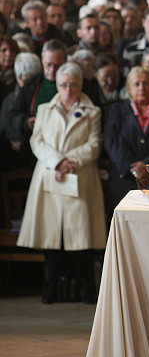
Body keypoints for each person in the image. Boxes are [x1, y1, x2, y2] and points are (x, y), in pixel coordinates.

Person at [16, 62, 106, 304]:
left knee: (81, 236)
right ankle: (52, 286)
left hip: (80, 176)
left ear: (81, 85)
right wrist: (57, 161)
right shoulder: (44, 109)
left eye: (73, 85)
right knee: (51, 235)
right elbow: (37, 142)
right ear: (56, 85)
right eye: (63, 85)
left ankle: (87, 288)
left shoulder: (92, 111)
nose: (68, 90)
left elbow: (94, 145)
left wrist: (70, 161)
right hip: (50, 176)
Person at [103, 66, 149, 217]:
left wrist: (147, 165)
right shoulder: (117, 110)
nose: (141, 88)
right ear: (129, 88)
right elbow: (111, 141)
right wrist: (135, 169)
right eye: (137, 84)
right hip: (124, 179)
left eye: (146, 83)